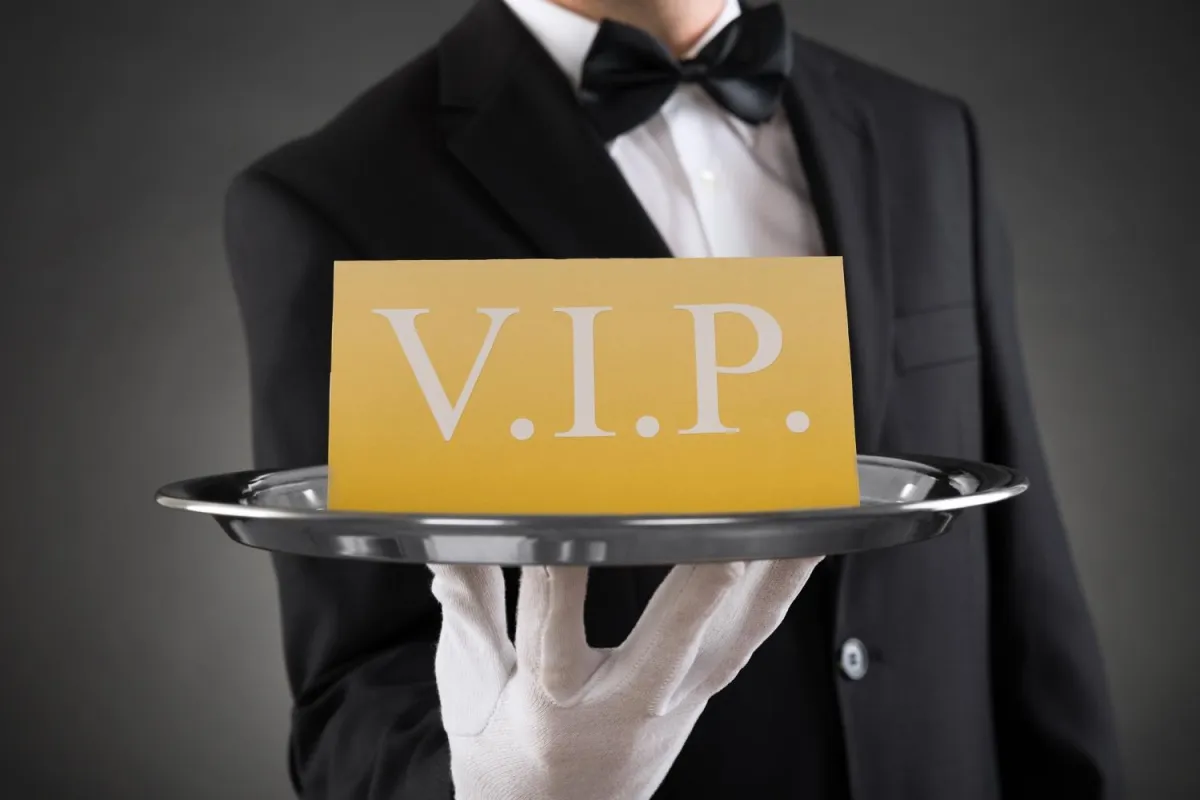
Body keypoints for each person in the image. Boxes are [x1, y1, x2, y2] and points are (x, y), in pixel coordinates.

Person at [223, 0, 1124, 797]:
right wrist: (491, 787)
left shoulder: (926, 134)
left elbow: (1026, 578)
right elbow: (352, 695)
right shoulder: (333, 196)